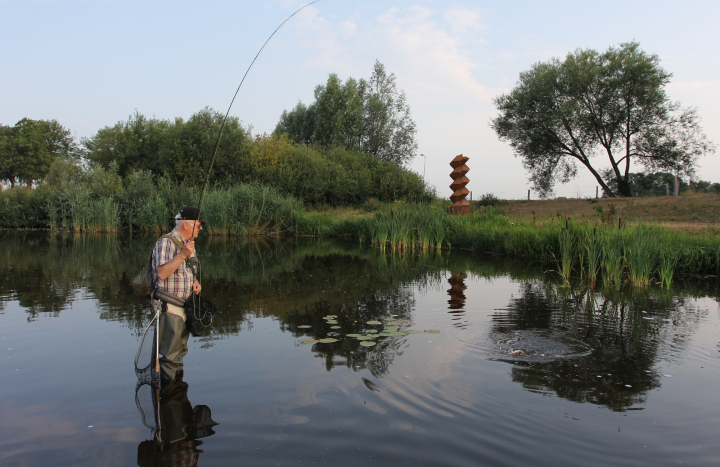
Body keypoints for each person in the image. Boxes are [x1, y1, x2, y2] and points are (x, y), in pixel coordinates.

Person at [151, 206, 206, 383]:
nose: (201, 228)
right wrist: (183, 254)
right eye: (198, 225)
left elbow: (185, 272)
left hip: (184, 307)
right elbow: (161, 273)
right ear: (186, 225)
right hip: (169, 306)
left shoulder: (188, 246)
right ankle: (170, 395)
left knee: (180, 353)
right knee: (171, 357)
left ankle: (178, 394)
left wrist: (195, 283)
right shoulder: (166, 243)